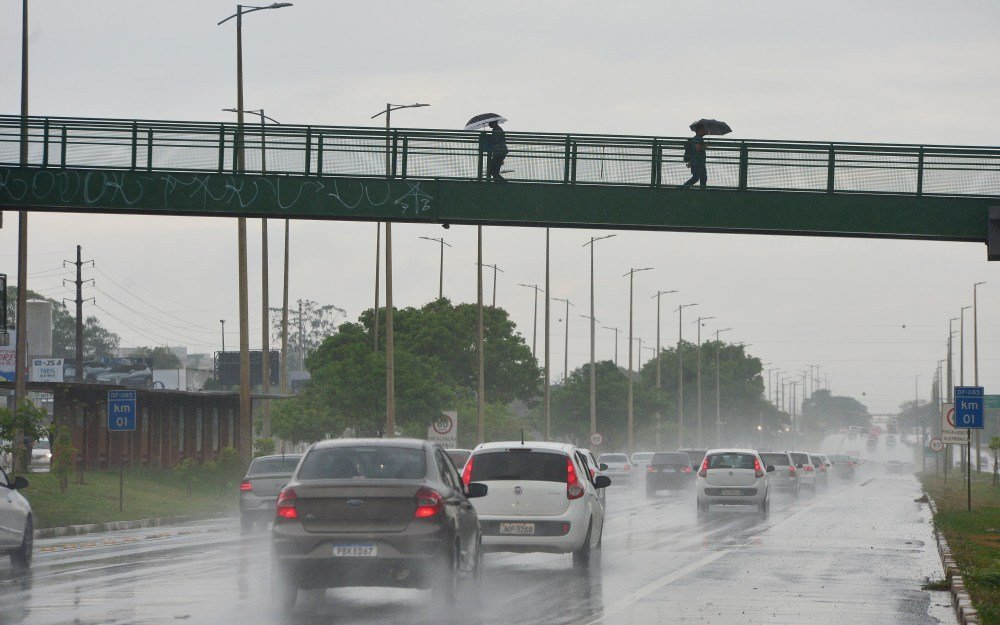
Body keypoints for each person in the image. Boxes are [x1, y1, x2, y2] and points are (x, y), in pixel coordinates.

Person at [681, 123, 708, 188]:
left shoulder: (698, 138)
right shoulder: (697, 138)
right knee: (696, 178)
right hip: (697, 162)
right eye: (703, 129)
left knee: (703, 178)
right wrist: (705, 146)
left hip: (700, 162)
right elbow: (697, 148)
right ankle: (683, 188)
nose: (705, 131)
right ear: (699, 130)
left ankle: (703, 192)